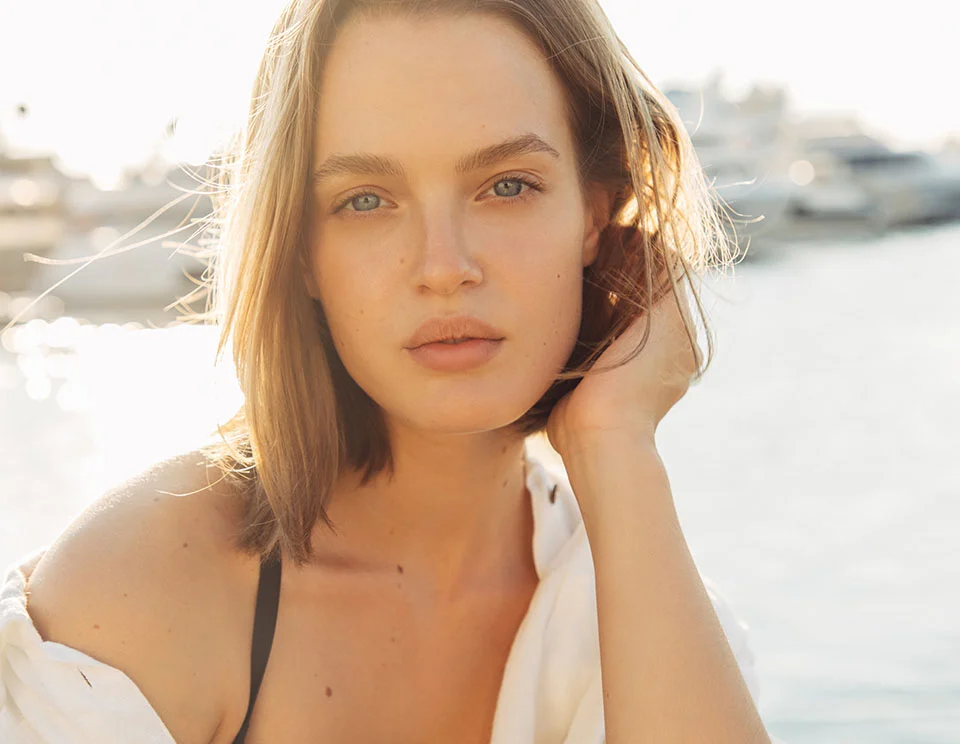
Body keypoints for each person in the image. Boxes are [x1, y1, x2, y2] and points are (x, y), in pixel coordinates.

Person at [1, 0, 771, 741]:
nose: (444, 268)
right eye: (366, 200)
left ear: (595, 216)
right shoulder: (140, 597)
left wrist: (618, 446)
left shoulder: (640, 599)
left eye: (508, 186)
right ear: (300, 249)